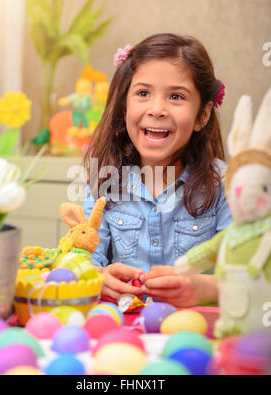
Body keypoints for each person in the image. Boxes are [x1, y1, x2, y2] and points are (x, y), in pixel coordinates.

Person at [82, 33, 232, 307]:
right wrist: (95, 277)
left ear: (203, 115)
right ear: (124, 104)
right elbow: (81, 259)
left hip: (197, 332)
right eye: (143, 93)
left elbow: (249, 272)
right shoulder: (105, 180)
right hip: (124, 331)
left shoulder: (225, 185)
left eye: (176, 96)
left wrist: (204, 288)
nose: (157, 109)